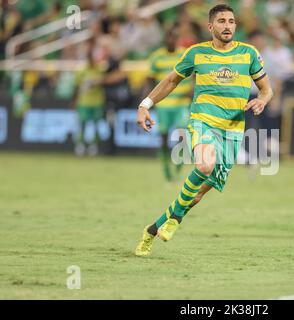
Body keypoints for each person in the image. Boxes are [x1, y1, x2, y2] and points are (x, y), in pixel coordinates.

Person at [134, 4, 273, 257]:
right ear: (211, 27)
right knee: (205, 165)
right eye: (221, 21)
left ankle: (153, 229)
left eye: (231, 21)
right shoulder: (196, 53)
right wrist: (145, 105)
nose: (228, 25)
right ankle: (175, 219)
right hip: (203, 121)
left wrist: (262, 100)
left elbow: (266, 89)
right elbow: (171, 81)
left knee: (195, 196)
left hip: (232, 130)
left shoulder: (249, 54)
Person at [146, 27, 192, 181]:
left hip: (181, 103)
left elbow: (195, 76)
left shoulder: (184, 54)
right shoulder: (156, 57)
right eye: (169, 37)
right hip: (163, 104)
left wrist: (192, 90)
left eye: (174, 37)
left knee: (182, 135)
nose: (171, 40)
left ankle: (178, 164)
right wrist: (150, 99)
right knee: (164, 137)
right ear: (165, 39)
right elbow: (150, 79)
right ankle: (166, 167)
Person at [74, 51, 106, 157]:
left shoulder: (100, 70)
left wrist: (97, 82)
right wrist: (76, 100)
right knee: (82, 124)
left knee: (96, 124)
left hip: (97, 102)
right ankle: (81, 144)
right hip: (84, 102)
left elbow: (104, 81)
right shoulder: (82, 72)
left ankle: (94, 145)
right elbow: (77, 87)